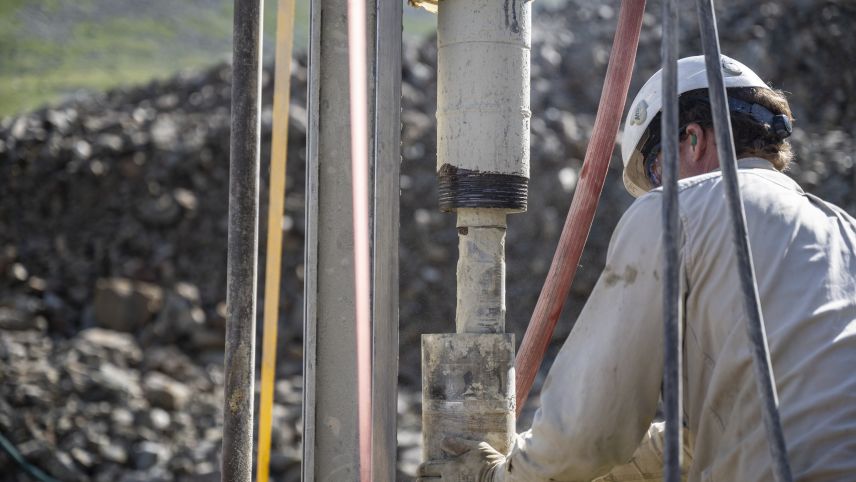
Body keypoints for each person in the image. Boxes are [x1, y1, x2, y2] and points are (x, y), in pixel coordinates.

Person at [418, 55, 856, 481]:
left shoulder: (677, 211)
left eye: (656, 168)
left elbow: (589, 428)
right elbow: (717, 432)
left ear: (692, 139)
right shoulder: (844, 232)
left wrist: (502, 477)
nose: (657, 188)